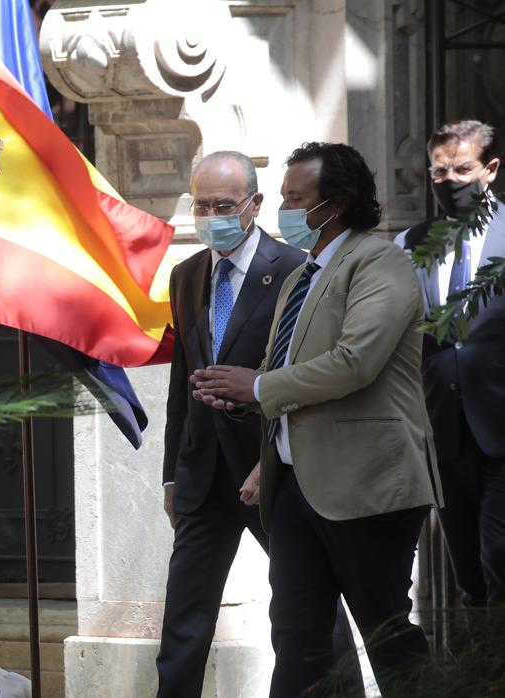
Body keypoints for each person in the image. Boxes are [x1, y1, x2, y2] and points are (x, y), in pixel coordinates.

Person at [191, 142, 442, 696]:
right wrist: (242, 393)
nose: (283, 211)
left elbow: (355, 362)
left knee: (388, 637)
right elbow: (287, 367)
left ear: (337, 205)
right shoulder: (301, 276)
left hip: (365, 487)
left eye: (295, 199)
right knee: (299, 641)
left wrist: (258, 385)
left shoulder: (382, 262)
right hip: (296, 487)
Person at [157, 151, 359, 697]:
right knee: (183, 621)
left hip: (272, 475)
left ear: (254, 204)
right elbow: (184, 383)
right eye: (201, 205)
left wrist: (267, 461)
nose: (211, 215)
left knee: (310, 611)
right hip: (202, 476)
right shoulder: (186, 275)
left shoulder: (297, 270)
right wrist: (172, 475)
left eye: (224, 205)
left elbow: (305, 379)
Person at [395, 120, 505, 610]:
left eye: (463, 169)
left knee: (498, 553)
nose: (450, 181)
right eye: (439, 172)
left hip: (501, 432)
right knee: (468, 574)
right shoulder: (408, 246)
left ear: (491, 170)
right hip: (442, 435)